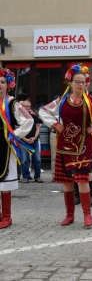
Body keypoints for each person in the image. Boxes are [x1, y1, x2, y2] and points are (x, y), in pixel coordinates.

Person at [39, 63, 92, 227]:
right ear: (70, 83)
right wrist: (55, 125)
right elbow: (43, 111)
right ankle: (69, 214)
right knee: (67, 180)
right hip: (64, 144)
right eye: (77, 81)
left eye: (84, 81)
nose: (81, 84)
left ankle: (87, 215)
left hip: (83, 145)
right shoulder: (61, 100)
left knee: (82, 179)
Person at [0, 68, 34, 228]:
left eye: (2, 82)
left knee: (5, 180)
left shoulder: (12, 103)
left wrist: (14, 134)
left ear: (8, 85)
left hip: (5, 145)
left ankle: (7, 216)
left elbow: (28, 120)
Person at [20, 100, 43, 183]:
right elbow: (17, 130)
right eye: (25, 106)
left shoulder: (34, 117)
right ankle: (25, 176)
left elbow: (37, 128)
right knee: (24, 160)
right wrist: (25, 139)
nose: (27, 108)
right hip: (23, 141)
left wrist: (34, 138)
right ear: (21, 107)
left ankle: (37, 176)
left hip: (34, 140)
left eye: (28, 106)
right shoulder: (18, 117)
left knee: (37, 159)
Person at [49, 95, 59, 180]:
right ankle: (54, 174)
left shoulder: (65, 109)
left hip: (64, 134)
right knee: (54, 156)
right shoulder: (50, 111)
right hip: (54, 133)